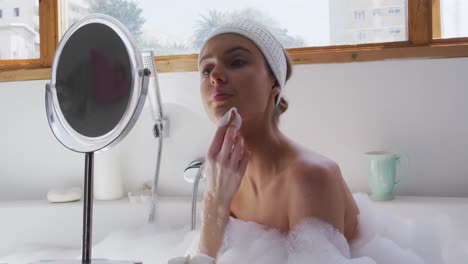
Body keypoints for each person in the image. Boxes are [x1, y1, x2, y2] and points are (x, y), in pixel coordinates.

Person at [170, 20, 360, 263]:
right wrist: (213, 206)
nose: (215, 76)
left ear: (274, 83)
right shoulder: (224, 176)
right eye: (206, 70)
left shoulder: (310, 177)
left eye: (236, 62)